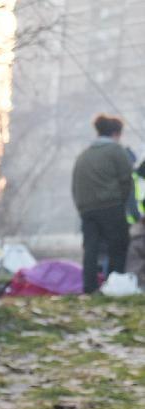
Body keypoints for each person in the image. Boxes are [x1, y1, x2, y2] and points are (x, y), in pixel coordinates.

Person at [72, 114, 137, 292]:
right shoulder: (117, 151)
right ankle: (113, 285)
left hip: (86, 209)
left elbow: (75, 185)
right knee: (118, 246)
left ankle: (90, 288)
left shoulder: (84, 155)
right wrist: (122, 204)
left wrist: (82, 207)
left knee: (90, 248)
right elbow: (127, 181)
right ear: (116, 133)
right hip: (110, 206)